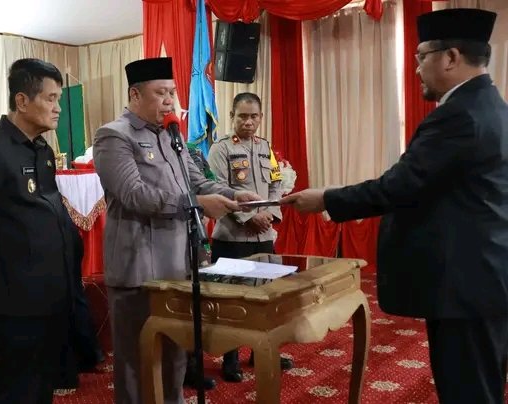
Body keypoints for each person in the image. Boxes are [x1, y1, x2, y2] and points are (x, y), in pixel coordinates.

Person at [280, 9, 508, 404]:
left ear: (450, 57)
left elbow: (400, 186)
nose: (416, 69)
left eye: (421, 56)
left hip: (465, 285)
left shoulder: (459, 115)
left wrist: (326, 198)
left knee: (468, 391)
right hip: (484, 277)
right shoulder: (491, 106)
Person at [92, 56, 262, 404]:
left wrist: (233, 195)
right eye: (161, 93)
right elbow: (135, 195)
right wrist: (196, 204)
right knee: (138, 360)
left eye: (172, 92)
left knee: (175, 354)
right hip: (138, 270)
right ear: (135, 94)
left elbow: (196, 180)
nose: (170, 101)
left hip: (179, 267)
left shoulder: (172, 134)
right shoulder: (114, 136)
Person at [0, 58, 78, 404]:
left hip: (52, 291)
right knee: (16, 386)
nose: (58, 108)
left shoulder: (42, 149)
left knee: (43, 383)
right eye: (51, 99)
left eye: (58, 99)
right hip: (14, 297)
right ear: (22, 101)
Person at [204, 92, 292, 382]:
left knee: (266, 297)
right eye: (242, 116)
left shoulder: (265, 147)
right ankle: (230, 359)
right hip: (232, 237)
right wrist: (249, 217)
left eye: (254, 116)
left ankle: (262, 350)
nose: (249, 122)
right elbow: (216, 188)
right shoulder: (221, 149)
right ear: (232, 116)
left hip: (264, 235)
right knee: (233, 301)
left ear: (261, 117)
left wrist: (269, 215)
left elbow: (277, 184)